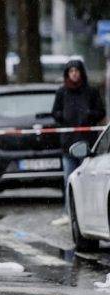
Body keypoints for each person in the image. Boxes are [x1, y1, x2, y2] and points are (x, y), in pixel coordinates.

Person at [51, 59, 106, 225]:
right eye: (71, 71)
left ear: (81, 72)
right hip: (68, 143)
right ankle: (68, 212)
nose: (74, 74)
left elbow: (101, 112)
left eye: (77, 71)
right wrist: (63, 118)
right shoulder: (62, 92)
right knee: (69, 179)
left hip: (87, 144)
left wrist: (90, 115)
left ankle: (90, 213)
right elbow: (55, 112)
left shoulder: (91, 92)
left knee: (88, 180)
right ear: (67, 74)